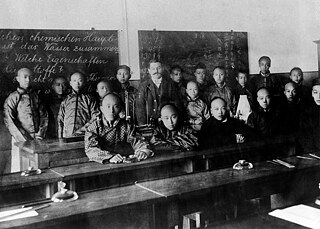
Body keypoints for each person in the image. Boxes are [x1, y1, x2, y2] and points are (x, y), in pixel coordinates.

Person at [85, 93, 153, 164]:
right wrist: (110, 157)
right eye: (108, 106)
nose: (112, 111)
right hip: (101, 164)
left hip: (122, 163)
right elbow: (90, 149)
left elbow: (137, 140)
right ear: (101, 109)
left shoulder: (127, 126)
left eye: (116, 106)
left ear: (120, 108)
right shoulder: (93, 127)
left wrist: (142, 151)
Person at [3, 67, 48, 172]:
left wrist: (40, 134)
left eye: (30, 77)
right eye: (25, 77)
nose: (28, 80)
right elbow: (9, 120)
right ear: (18, 79)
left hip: (37, 138)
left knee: (37, 166)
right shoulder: (13, 97)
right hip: (20, 139)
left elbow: (44, 116)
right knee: (20, 167)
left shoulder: (35, 96)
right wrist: (23, 139)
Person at [135, 60, 180, 126]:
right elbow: (140, 108)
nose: (156, 71)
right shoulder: (143, 86)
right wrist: (143, 126)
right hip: (150, 124)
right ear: (149, 70)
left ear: (162, 69)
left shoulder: (170, 84)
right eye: (153, 69)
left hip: (167, 124)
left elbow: (176, 104)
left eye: (158, 68)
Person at [58, 71, 100, 138]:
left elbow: (95, 116)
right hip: (67, 135)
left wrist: (84, 129)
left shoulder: (89, 98)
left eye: (80, 81)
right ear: (70, 83)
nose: (77, 83)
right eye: (74, 81)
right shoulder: (66, 100)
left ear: (84, 82)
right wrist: (60, 136)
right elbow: (60, 119)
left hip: (85, 135)